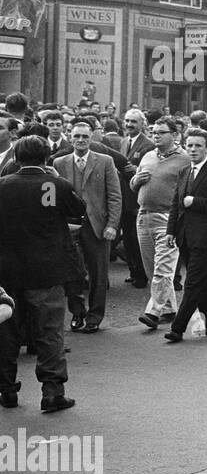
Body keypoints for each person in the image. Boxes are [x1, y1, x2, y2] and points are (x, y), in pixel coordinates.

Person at [0, 136, 85, 412]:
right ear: (47, 158)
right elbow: (78, 210)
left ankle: (6, 388)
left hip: (9, 270)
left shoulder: (4, 185)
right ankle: (52, 390)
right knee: (49, 332)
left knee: (7, 331)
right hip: (47, 270)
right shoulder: (55, 185)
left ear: (16, 158)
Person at [53, 121, 121, 334]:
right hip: (69, 225)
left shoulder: (105, 161)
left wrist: (112, 225)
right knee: (72, 272)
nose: (80, 140)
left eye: (85, 136)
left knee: (98, 272)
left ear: (92, 138)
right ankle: (77, 312)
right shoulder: (59, 163)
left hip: (97, 225)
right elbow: (55, 198)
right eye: (77, 136)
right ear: (70, 137)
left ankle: (95, 316)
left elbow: (115, 196)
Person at [163, 129, 207, 343]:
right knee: (202, 281)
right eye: (189, 145)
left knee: (193, 282)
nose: (192, 149)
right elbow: (176, 203)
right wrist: (170, 231)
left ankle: (178, 328)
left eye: (198, 146)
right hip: (185, 235)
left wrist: (195, 201)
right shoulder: (184, 171)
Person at [130, 117, 190, 329]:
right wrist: (136, 181)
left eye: (161, 132)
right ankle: (169, 309)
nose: (155, 136)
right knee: (151, 269)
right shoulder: (148, 155)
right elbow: (133, 183)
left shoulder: (185, 159)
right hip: (143, 216)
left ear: (174, 135)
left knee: (163, 269)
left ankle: (153, 311)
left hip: (168, 218)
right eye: (154, 132)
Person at [119, 109, 151, 288]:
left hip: (137, 199)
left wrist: (135, 170)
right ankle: (133, 271)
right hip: (124, 197)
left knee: (138, 239)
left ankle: (141, 275)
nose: (129, 124)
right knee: (128, 239)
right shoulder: (124, 142)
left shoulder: (148, 144)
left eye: (133, 121)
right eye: (127, 121)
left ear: (142, 124)